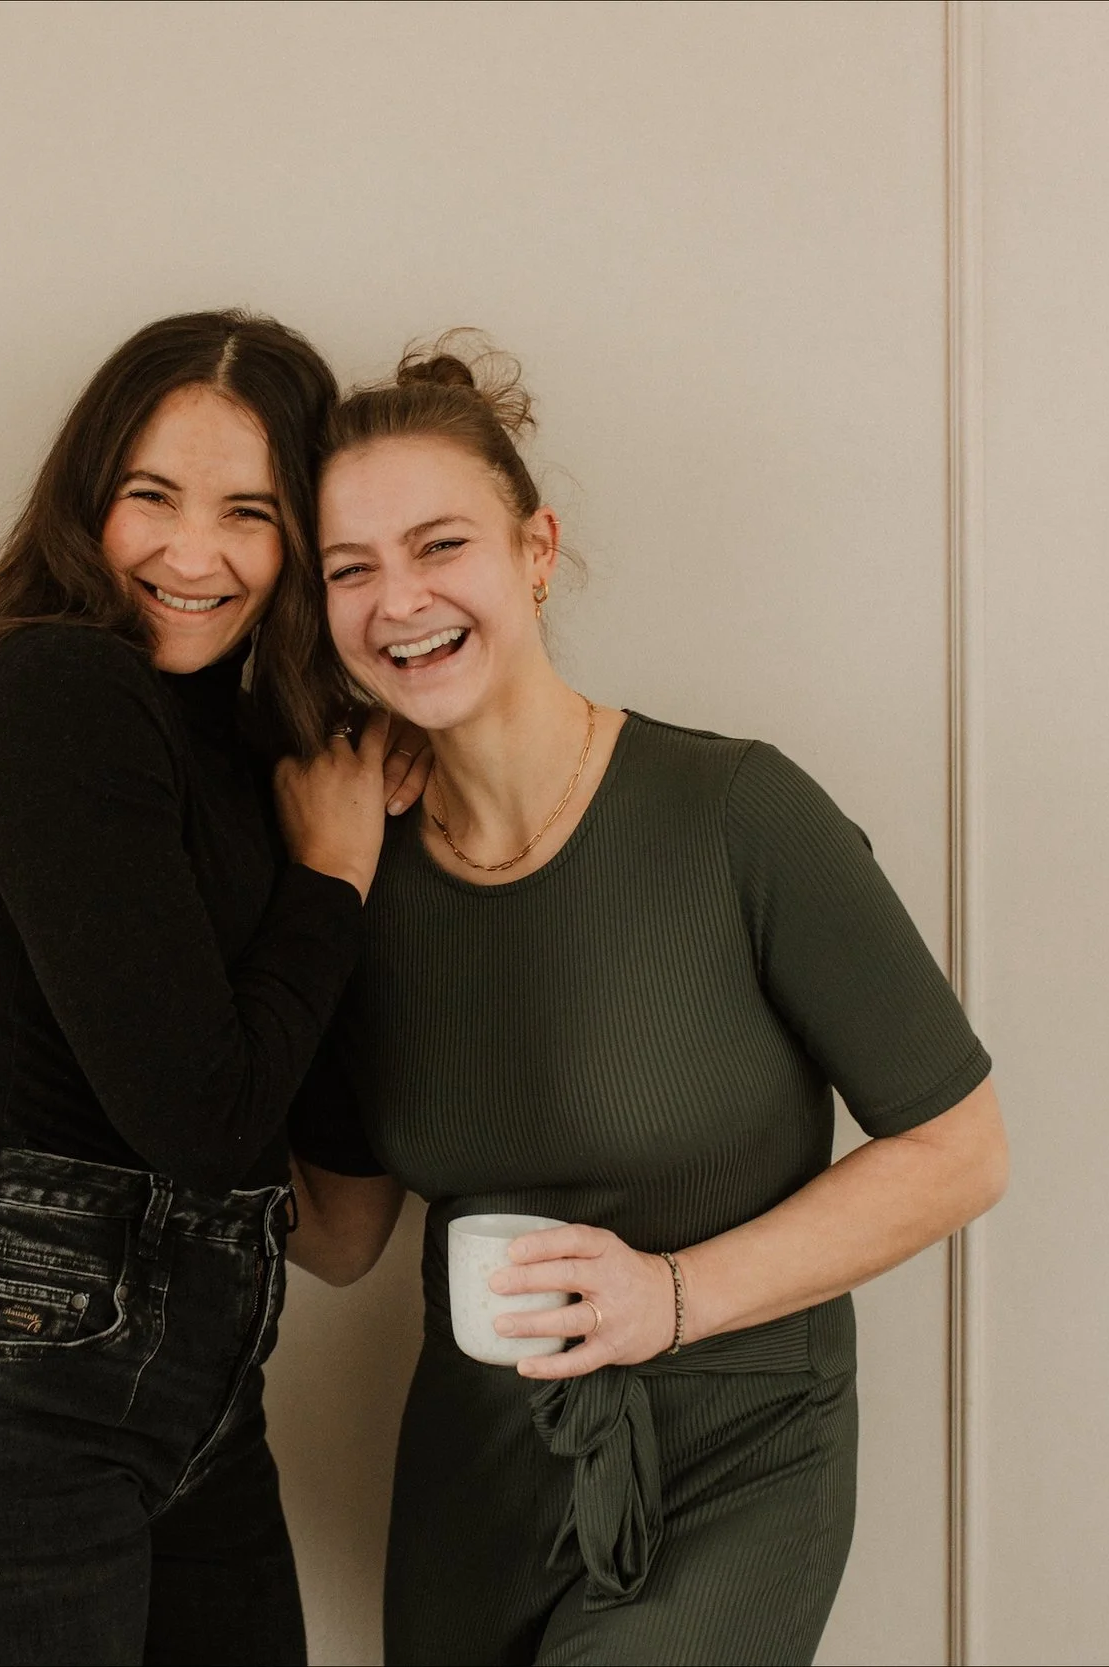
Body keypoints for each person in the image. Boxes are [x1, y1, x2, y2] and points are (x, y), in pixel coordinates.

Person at [285, 336, 1011, 1665]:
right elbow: (339, 1236)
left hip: (736, 1450)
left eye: (441, 545)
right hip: (476, 1473)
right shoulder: (360, 879)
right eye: (350, 569)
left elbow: (959, 1151)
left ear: (537, 550)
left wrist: (670, 1296)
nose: (399, 600)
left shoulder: (737, 814)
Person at [0, 310, 425, 1665]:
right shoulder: (59, 690)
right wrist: (333, 882)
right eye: (150, 497)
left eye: (250, 512)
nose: (193, 554)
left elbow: (339, 1234)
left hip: (191, 1401)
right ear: (85, 498)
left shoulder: (258, 766)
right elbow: (207, 1118)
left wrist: (350, 866)